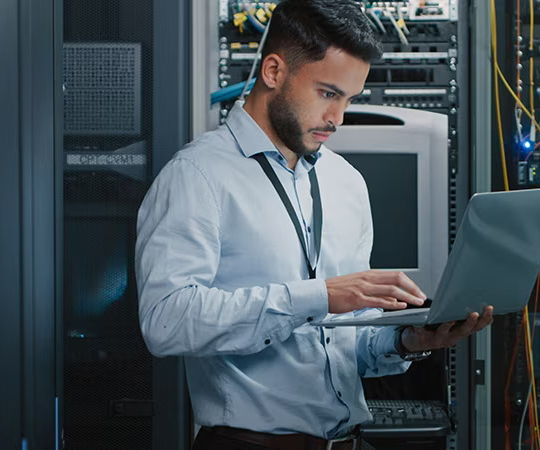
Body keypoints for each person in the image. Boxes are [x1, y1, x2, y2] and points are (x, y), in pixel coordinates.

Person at [135, 0, 493, 448]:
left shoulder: (346, 182)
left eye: (349, 99)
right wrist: (318, 295)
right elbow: (165, 321)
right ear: (273, 71)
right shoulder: (196, 176)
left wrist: (409, 341)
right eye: (327, 93)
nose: (338, 119)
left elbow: (348, 343)